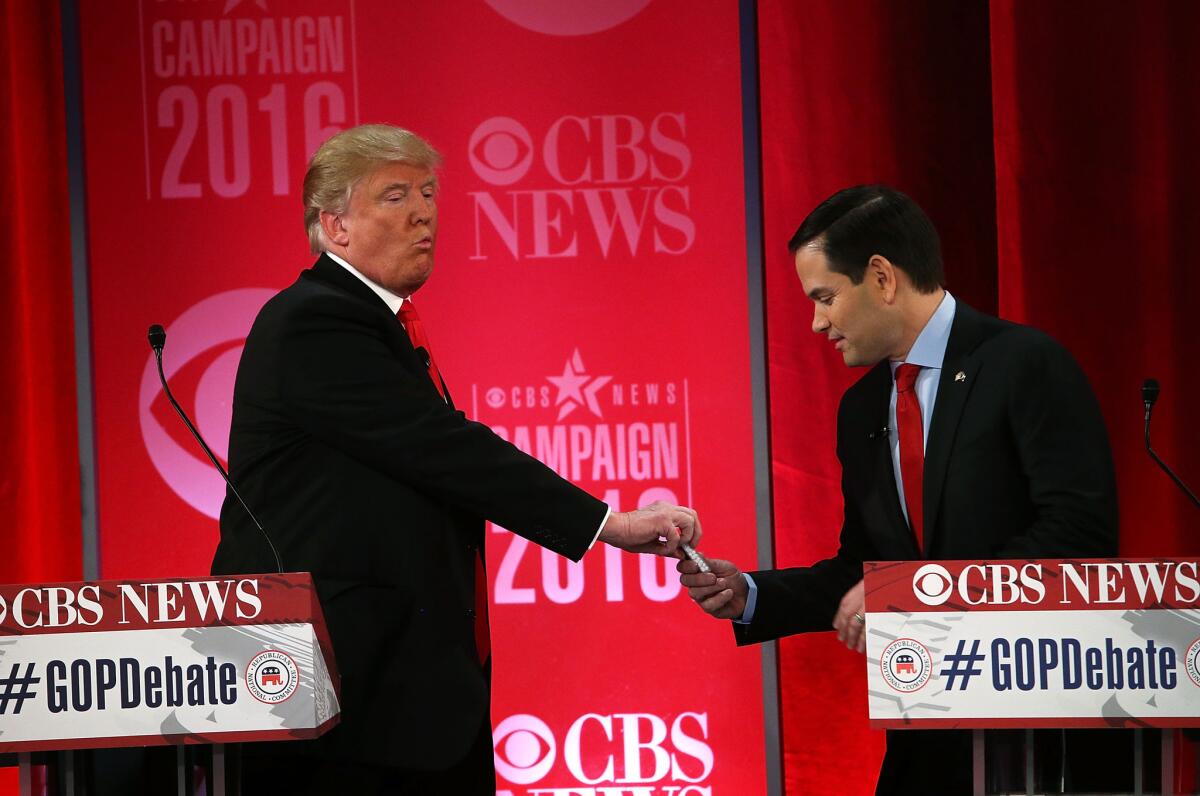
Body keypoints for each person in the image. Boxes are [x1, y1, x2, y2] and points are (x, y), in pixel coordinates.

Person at [211, 124, 700, 795]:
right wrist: (606, 524)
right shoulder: (315, 320)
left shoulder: (383, 324)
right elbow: (445, 451)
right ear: (335, 226)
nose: (423, 212)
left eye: (429, 192)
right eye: (394, 196)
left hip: (404, 702)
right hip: (337, 705)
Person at [678, 185, 1118, 794]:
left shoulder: (1025, 363)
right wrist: (751, 593)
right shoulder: (861, 409)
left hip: (1038, 740)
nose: (816, 322)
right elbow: (864, 570)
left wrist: (917, 591)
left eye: (825, 297)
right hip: (927, 740)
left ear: (882, 277)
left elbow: (1079, 539)